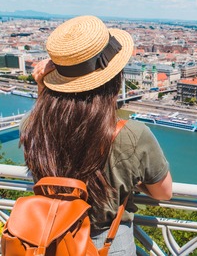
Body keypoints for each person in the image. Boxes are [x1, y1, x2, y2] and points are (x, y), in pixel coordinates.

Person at [20, 15, 172, 255]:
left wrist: (43, 90)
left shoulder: (31, 126)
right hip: (107, 244)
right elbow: (163, 193)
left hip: (47, 240)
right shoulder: (132, 134)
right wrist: (129, 176)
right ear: (114, 79)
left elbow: (46, 123)